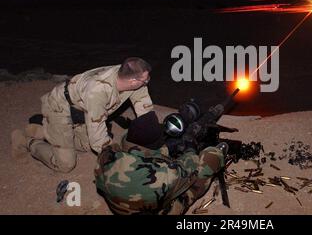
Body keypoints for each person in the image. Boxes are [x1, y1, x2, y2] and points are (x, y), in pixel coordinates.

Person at [11, 57, 154, 173]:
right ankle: (26, 141)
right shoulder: (98, 91)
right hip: (60, 108)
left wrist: (151, 138)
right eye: (145, 80)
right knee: (66, 164)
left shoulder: (127, 76)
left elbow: (145, 109)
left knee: (86, 145)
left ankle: (47, 132)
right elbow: (98, 140)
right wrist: (121, 158)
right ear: (132, 81)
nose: (147, 82)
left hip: (80, 111)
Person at [94, 111, 227, 215]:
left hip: (121, 208)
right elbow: (188, 169)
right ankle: (218, 154)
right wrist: (190, 149)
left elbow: (141, 154)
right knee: (209, 159)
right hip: (154, 210)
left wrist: (167, 148)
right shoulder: (164, 175)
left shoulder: (105, 157)